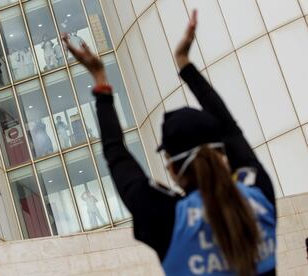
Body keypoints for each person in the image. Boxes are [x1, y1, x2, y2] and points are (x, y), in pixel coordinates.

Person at [63, 10, 276, 276]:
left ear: (173, 169)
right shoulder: (259, 194)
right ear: (223, 154)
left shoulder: (167, 219)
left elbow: (116, 154)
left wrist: (100, 79)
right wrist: (185, 63)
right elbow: (231, 129)